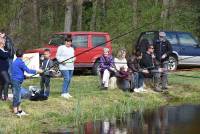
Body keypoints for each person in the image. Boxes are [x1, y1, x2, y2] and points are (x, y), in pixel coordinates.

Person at [11, 49, 43, 117]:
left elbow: (17, 71)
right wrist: (37, 71)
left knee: (19, 95)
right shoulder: (20, 62)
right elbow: (28, 70)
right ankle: (15, 111)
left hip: (16, 80)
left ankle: (19, 110)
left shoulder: (15, 61)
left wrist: (24, 76)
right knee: (17, 96)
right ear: (22, 55)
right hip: (16, 81)